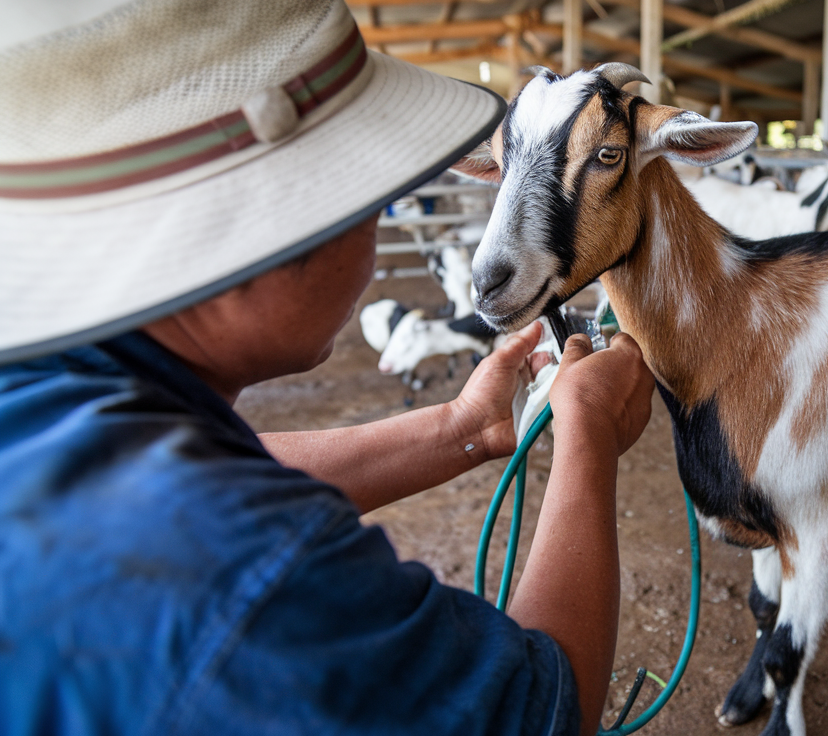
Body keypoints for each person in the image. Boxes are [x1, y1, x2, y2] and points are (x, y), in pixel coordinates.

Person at [0, 1, 654, 734]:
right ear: (266, 223)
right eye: (365, 197)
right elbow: (540, 712)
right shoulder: (241, 586)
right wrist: (588, 434)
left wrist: (460, 428)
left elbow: (196, 478)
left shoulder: (40, 398)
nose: (373, 230)